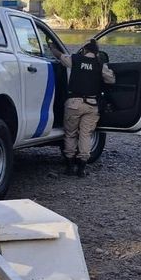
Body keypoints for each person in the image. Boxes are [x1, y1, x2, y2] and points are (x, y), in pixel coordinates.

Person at [48, 39, 116, 177]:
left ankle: (69, 167)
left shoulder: (75, 59)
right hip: (91, 105)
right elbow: (111, 80)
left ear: (84, 50)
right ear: (97, 52)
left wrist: (51, 46)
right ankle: (82, 169)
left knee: (70, 134)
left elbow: (59, 56)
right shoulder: (100, 64)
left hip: (73, 104)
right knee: (85, 135)